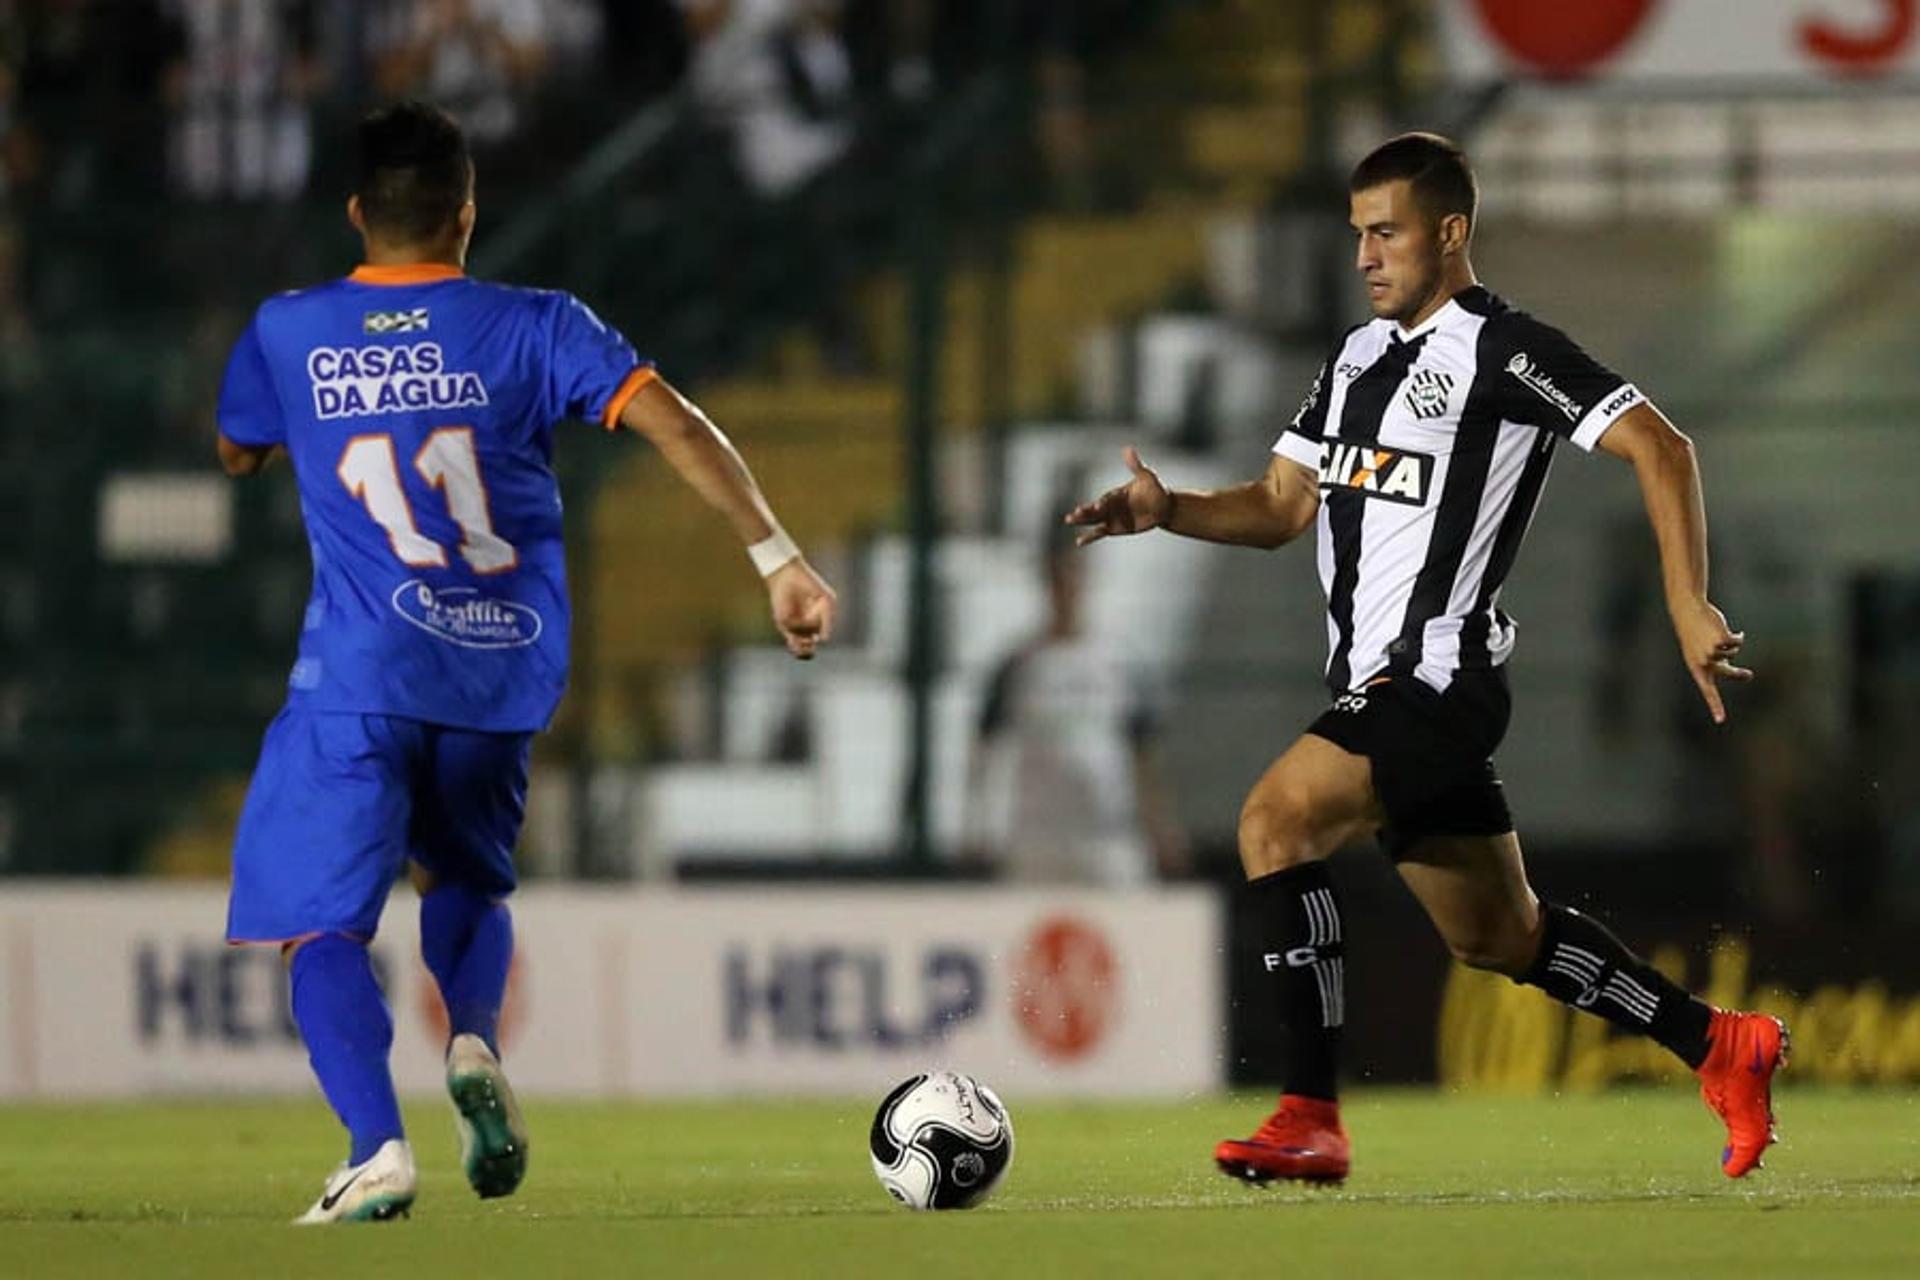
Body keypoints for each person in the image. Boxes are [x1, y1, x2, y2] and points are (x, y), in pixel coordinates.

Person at [1065, 132, 1782, 1186]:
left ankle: (1310, 1111)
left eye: (1386, 231)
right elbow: (1277, 507)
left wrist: (1684, 600)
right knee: (1499, 936)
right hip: (1377, 687)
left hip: (1439, 677)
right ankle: (1719, 1042)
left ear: (1450, 232)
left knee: (1274, 820)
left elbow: (1660, 445)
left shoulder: (1503, 348)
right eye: (1357, 234)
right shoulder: (1354, 359)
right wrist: (1167, 506)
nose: (1365, 254)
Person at [216, 101, 836, 1223]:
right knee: (464, 879)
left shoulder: (287, 327)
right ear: (467, 213)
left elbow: (237, 446)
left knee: (322, 924)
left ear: (358, 214)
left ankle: (375, 1148)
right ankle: (474, 1040)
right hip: (499, 675)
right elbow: (677, 423)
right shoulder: (538, 324)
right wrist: (778, 558)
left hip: (359, 674)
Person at [965, 523, 1187, 886]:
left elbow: (1142, 756)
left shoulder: (1120, 663)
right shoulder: (1018, 665)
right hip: (1037, 838)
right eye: (1057, 579)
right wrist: (977, 825)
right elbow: (984, 750)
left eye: (1074, 576)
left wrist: (1162, 830)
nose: (1066, 590)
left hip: (1107, 838)